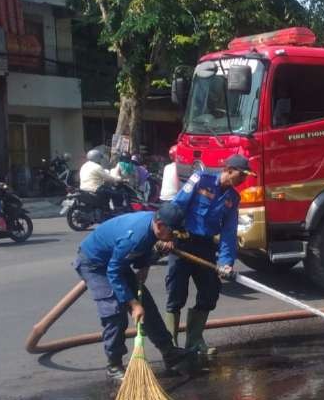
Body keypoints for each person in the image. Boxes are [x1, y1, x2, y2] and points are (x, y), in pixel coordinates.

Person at [74, 205, 195, 382]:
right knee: (114, 311)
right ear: (160, 225)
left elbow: (138, 255)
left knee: (146, 305)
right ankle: (114, 365)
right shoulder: (135, 237)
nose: (174, 237)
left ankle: (169, 352)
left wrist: (145, 265)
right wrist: (133, 304)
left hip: (116, 261)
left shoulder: (152, 228)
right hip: (95, 264)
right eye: (173, 232)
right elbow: (113, 271)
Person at [165, 154, 254, 356]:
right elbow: (178, 205)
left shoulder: (233, 198)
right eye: (242, 175)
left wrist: (226, 263)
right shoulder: (200, 179)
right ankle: (169, 346)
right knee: (176, 294)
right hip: (182, 242)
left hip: (205, 247)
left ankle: (195, 341)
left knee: (210, 292)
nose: (244, 180)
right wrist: (168, 234)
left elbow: (229, 232)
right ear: (229, 169)